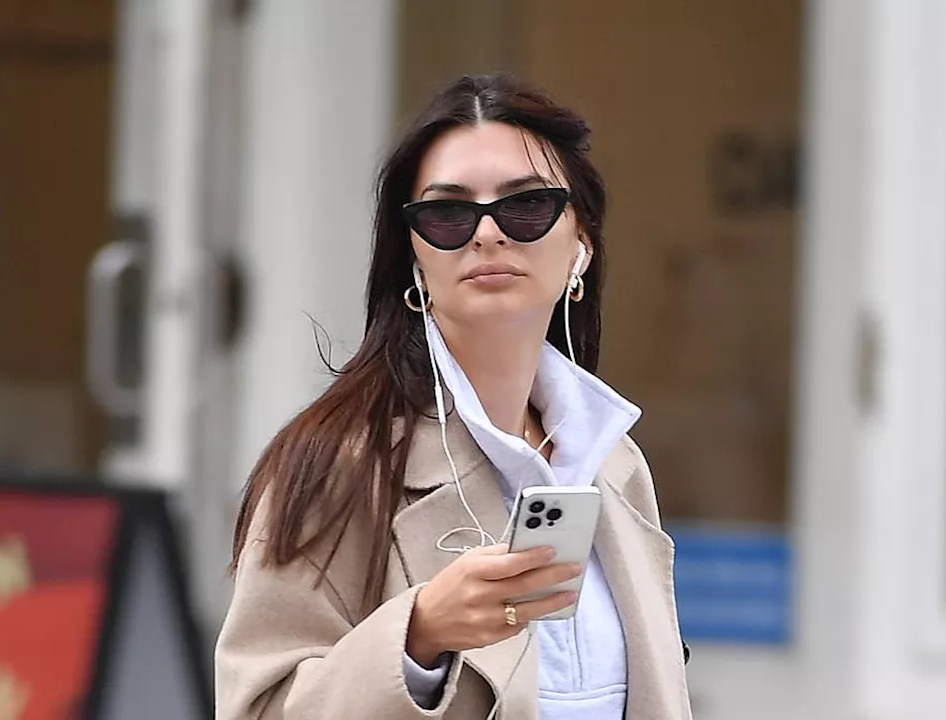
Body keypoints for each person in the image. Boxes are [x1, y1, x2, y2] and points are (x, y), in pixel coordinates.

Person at [216, 73, 692, 720]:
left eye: (526, 206)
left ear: (581, 242)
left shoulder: (614, 464)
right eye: (448, 214)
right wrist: (418, 637)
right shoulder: (337, 463)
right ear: (413, 255)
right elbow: (256, 708)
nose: (488, 234)